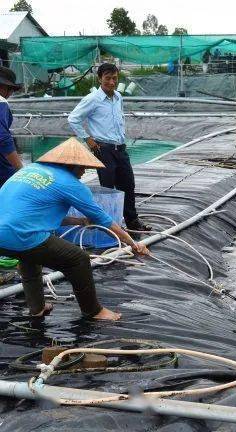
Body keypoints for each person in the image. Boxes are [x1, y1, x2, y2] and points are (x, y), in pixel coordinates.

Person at [0, 137, 149, 320]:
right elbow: (103, 219)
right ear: (71, 166)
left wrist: (77, 222)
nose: (84, 172)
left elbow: (35, 214)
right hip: (20, 234)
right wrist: (133, 244)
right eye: (83, 168)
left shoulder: (30, 170)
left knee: (29, 258)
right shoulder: (70, 184)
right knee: (78, 259)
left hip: (6, 234)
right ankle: (94, 311)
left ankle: (37, 308)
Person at [68, 63, 150, 231]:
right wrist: (87, 139)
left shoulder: (118, 97)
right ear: (100, 79)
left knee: (128, 184)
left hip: (120, 148)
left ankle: (132, 220)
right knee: (107, 187)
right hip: (103, 149)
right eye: (107, 78)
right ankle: (110, 225)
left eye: (114, 78)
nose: (111, 82)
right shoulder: (92, 99)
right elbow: (73, 118)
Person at [0, 66, 24, 188]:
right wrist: (21, 170)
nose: (10, 94)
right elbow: (3, 137)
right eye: (11, 89)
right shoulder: (1, 101)